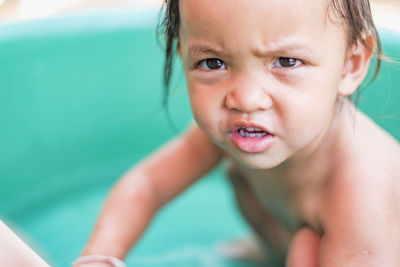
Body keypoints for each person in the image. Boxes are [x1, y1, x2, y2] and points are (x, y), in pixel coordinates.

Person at [73, 0, 400, 266]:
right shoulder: (246, 128)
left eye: (285, 61)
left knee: (306, 249)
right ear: (182, 53)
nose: (244, 98)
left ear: (351, 65)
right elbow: (147, 185)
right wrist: (98, 257)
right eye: (213, 63)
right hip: (281, 244)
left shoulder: (363, 198)